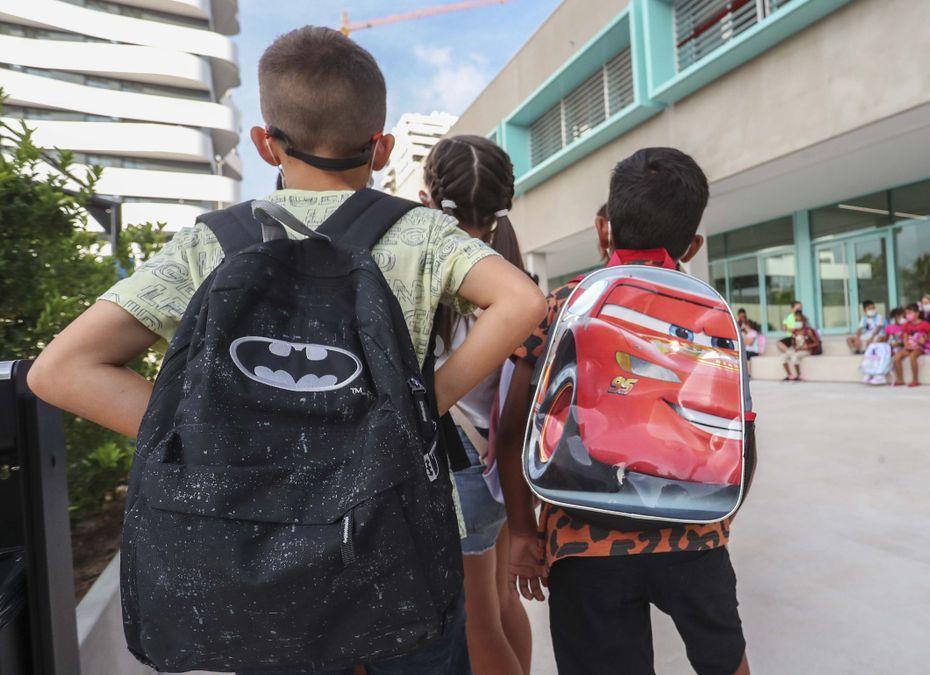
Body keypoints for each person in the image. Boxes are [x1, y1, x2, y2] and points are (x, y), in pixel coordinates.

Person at [27, 26, 547, 675]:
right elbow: (523, 301)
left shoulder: (212, 244)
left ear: (264, 140)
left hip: (264, 550)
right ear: (382, 146)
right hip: (400, 538)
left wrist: (221, 439)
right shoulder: (419, 232)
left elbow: (59, 369)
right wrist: (417, 404)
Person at [495, 147, 752, 675]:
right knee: (726, 664)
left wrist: (522, 530)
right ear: (694, 243)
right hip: (694, 529)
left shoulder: (559, 306)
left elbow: (514, 429)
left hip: (583, 541)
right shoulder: (711, 316)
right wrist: (716, 515)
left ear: (602, 227)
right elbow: (738, 430)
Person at [423, 134, 533, 675]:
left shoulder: (437, 277)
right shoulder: (513, 272)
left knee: (477, 619)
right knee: (504, 601)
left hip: (462, 469)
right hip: (504, 464)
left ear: (429, 199)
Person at [893, 303, 930, 387]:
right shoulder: (906, 325)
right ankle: (900, 379)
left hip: (920, 347)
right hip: (909, 346)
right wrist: (906, 344)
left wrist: (924, 339)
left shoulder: (924, 324)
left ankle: (915, 380)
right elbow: (905, 335)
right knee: (897, 357)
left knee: (912, 356)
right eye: (906, 313)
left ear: (917, 313)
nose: (908, 315)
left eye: (910, 312)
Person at [782, 309, 821, 382]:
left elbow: (817, 343)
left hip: (806, 350)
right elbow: (793, 342)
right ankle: (790, 375)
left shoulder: (808, 331)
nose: (797, 323)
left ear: (803, 322)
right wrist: (795, 346)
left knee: (794, 357)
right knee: (783, 357)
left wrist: (807, 346)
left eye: (799, 321)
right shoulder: (795, 331)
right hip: (797, 349)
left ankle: (799, 375)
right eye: (796, 321)